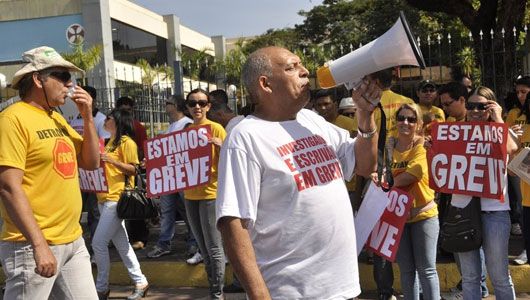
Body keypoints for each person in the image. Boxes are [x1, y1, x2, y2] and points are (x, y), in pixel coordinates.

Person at [216, 46, 378, 299]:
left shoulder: (310, 120)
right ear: (265, 84)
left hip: (342, 288)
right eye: (292, 67)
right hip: (292, 293)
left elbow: (365, 166)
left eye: (301, 65)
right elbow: (233, 223)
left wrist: (366, 116)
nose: (305, 72)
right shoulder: (245, 138)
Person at [0, 46, 99, 299]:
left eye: (70, 78)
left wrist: (87, 118)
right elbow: (9, 187)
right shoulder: (13, 119)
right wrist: (39, 244)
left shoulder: (56, 118)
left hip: (72, 241)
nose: (69, 85)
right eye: (62, 77)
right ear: (37, 79)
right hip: (32, 244)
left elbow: (91, 162)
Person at [453, 86, 518, 300]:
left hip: (495, 213)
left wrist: (499, 118)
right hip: (463, 212)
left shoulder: (501, 130)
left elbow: (510, 149)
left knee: (499, 276)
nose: (475, 110)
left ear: (491, 107)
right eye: (470, 106)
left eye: (482, 106)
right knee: (471, 278)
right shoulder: (454, 132)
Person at [374, 104, 439, 300]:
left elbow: (412, 175)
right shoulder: (389, 146)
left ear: (419, 123)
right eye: (401, 118)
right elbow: (380, 172)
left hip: (423, 216)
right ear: (396, 121)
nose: (405, 122)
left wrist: (385, 183)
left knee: (427, 270)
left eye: (411, 119)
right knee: (407, 271)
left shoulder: (423, 146)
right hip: (398, 218)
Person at [438, 82, 490, 298]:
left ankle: (482, 286)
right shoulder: (450, 127)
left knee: (477, 244)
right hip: (459, 196)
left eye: (449, 103)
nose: (446, 109)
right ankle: (473, 286)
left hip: (487, 199)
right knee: (464, 241)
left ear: (461, 100)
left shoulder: (489, 126)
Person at [93, 109, 149, 299]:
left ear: (116, 121)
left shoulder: (127, 142)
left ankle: (101, 287)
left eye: (108, 118)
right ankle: (140, 281)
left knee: (98, 243)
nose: (105, 120)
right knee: (123, 245)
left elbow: (133, 170)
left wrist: (111, 160)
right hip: (104, 199)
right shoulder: (108, 142)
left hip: (116, 199)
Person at [184, 88, 227, 300]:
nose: (197, 107)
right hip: (190, 196)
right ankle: (214, 290)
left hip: (211, 194)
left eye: (202, 102)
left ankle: (217, 294)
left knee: (214, 248)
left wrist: (222, 146)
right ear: (187, 107)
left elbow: (233, 158)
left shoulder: (216, 128)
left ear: (208, 106)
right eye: (193, 103)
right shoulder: (184, 131)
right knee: (203, 247)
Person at [146, 95, 199, 260]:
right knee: (167, 211)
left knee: (188, 211)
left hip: (182, 177)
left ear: (176, 106)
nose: (165, 105)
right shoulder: (171, 127)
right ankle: (164, 243)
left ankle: (193, 242)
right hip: (169, 177)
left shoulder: (187, 124)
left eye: (168, 103)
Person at [70, 85, 110, 255]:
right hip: (78, 174)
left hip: (95, 173)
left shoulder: (100, 119)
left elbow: (105, 145)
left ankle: (96, 248)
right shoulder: (75, 120)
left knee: (94, 212)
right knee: (76, 210)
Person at [116, 96, 149, 250]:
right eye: (122, 110)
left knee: (135, 205)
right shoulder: (112, 130)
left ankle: (139, 237)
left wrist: (140, 164)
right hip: (115, 178)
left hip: (131, 172)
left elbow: (143, 148)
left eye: (128, 110)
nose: (126, 114)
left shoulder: (137, 128)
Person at [506, 81, 530, 265]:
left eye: (525, 92)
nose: (521, 96)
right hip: (526, 191)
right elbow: (512, 168)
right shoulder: (517, 118)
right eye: (518, 92)